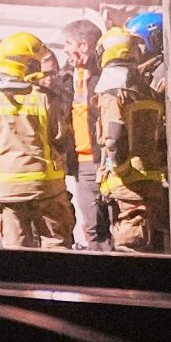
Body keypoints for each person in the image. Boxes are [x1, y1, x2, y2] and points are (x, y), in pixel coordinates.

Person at [0, 31, 76, 248]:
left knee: (15, 251)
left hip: (7, 189)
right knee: (56, 246)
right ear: (26, 63)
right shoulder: (44, 98)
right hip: (46, 187)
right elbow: (61, 138)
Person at [95, 26, 171, 252]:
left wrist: (119, 169)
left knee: (131, 247)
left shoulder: (112, 93)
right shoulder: (147, 91)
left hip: (127, 184)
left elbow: (113, 139)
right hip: (151, 177)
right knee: (156, 244)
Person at [60, 18, 111, 250]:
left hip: (105, 161)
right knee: (92, 228)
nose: (64, 49)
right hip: (81, 164)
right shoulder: (65, 78)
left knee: (113, 225)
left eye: (68, 43)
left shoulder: (107, 76)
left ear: (84, 46)